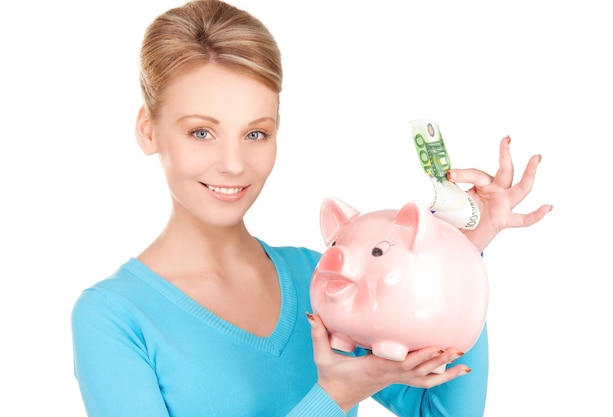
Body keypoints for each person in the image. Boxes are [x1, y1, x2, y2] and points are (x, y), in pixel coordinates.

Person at [71, 1, 552, 416]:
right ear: (148, 130)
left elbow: (443, 410)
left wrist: (459, 255)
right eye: (202, 131)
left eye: (255, 133)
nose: (234, 164)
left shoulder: (322, 279)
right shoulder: (113, 318)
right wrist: (335, 396)